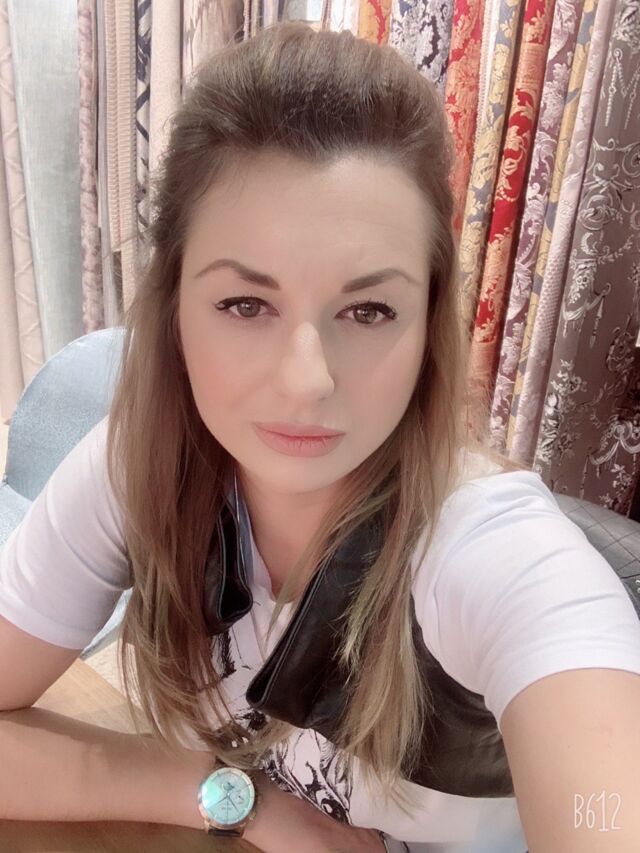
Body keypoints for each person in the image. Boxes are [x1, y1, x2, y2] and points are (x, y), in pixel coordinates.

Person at [1, 21, 640, 853]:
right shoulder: (144, 465)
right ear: (174, 310)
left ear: (427, 326)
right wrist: (232, 796)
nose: (308, 380)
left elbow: (606, 815)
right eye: (245, 304)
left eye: (368, 310)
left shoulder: (496, 557)